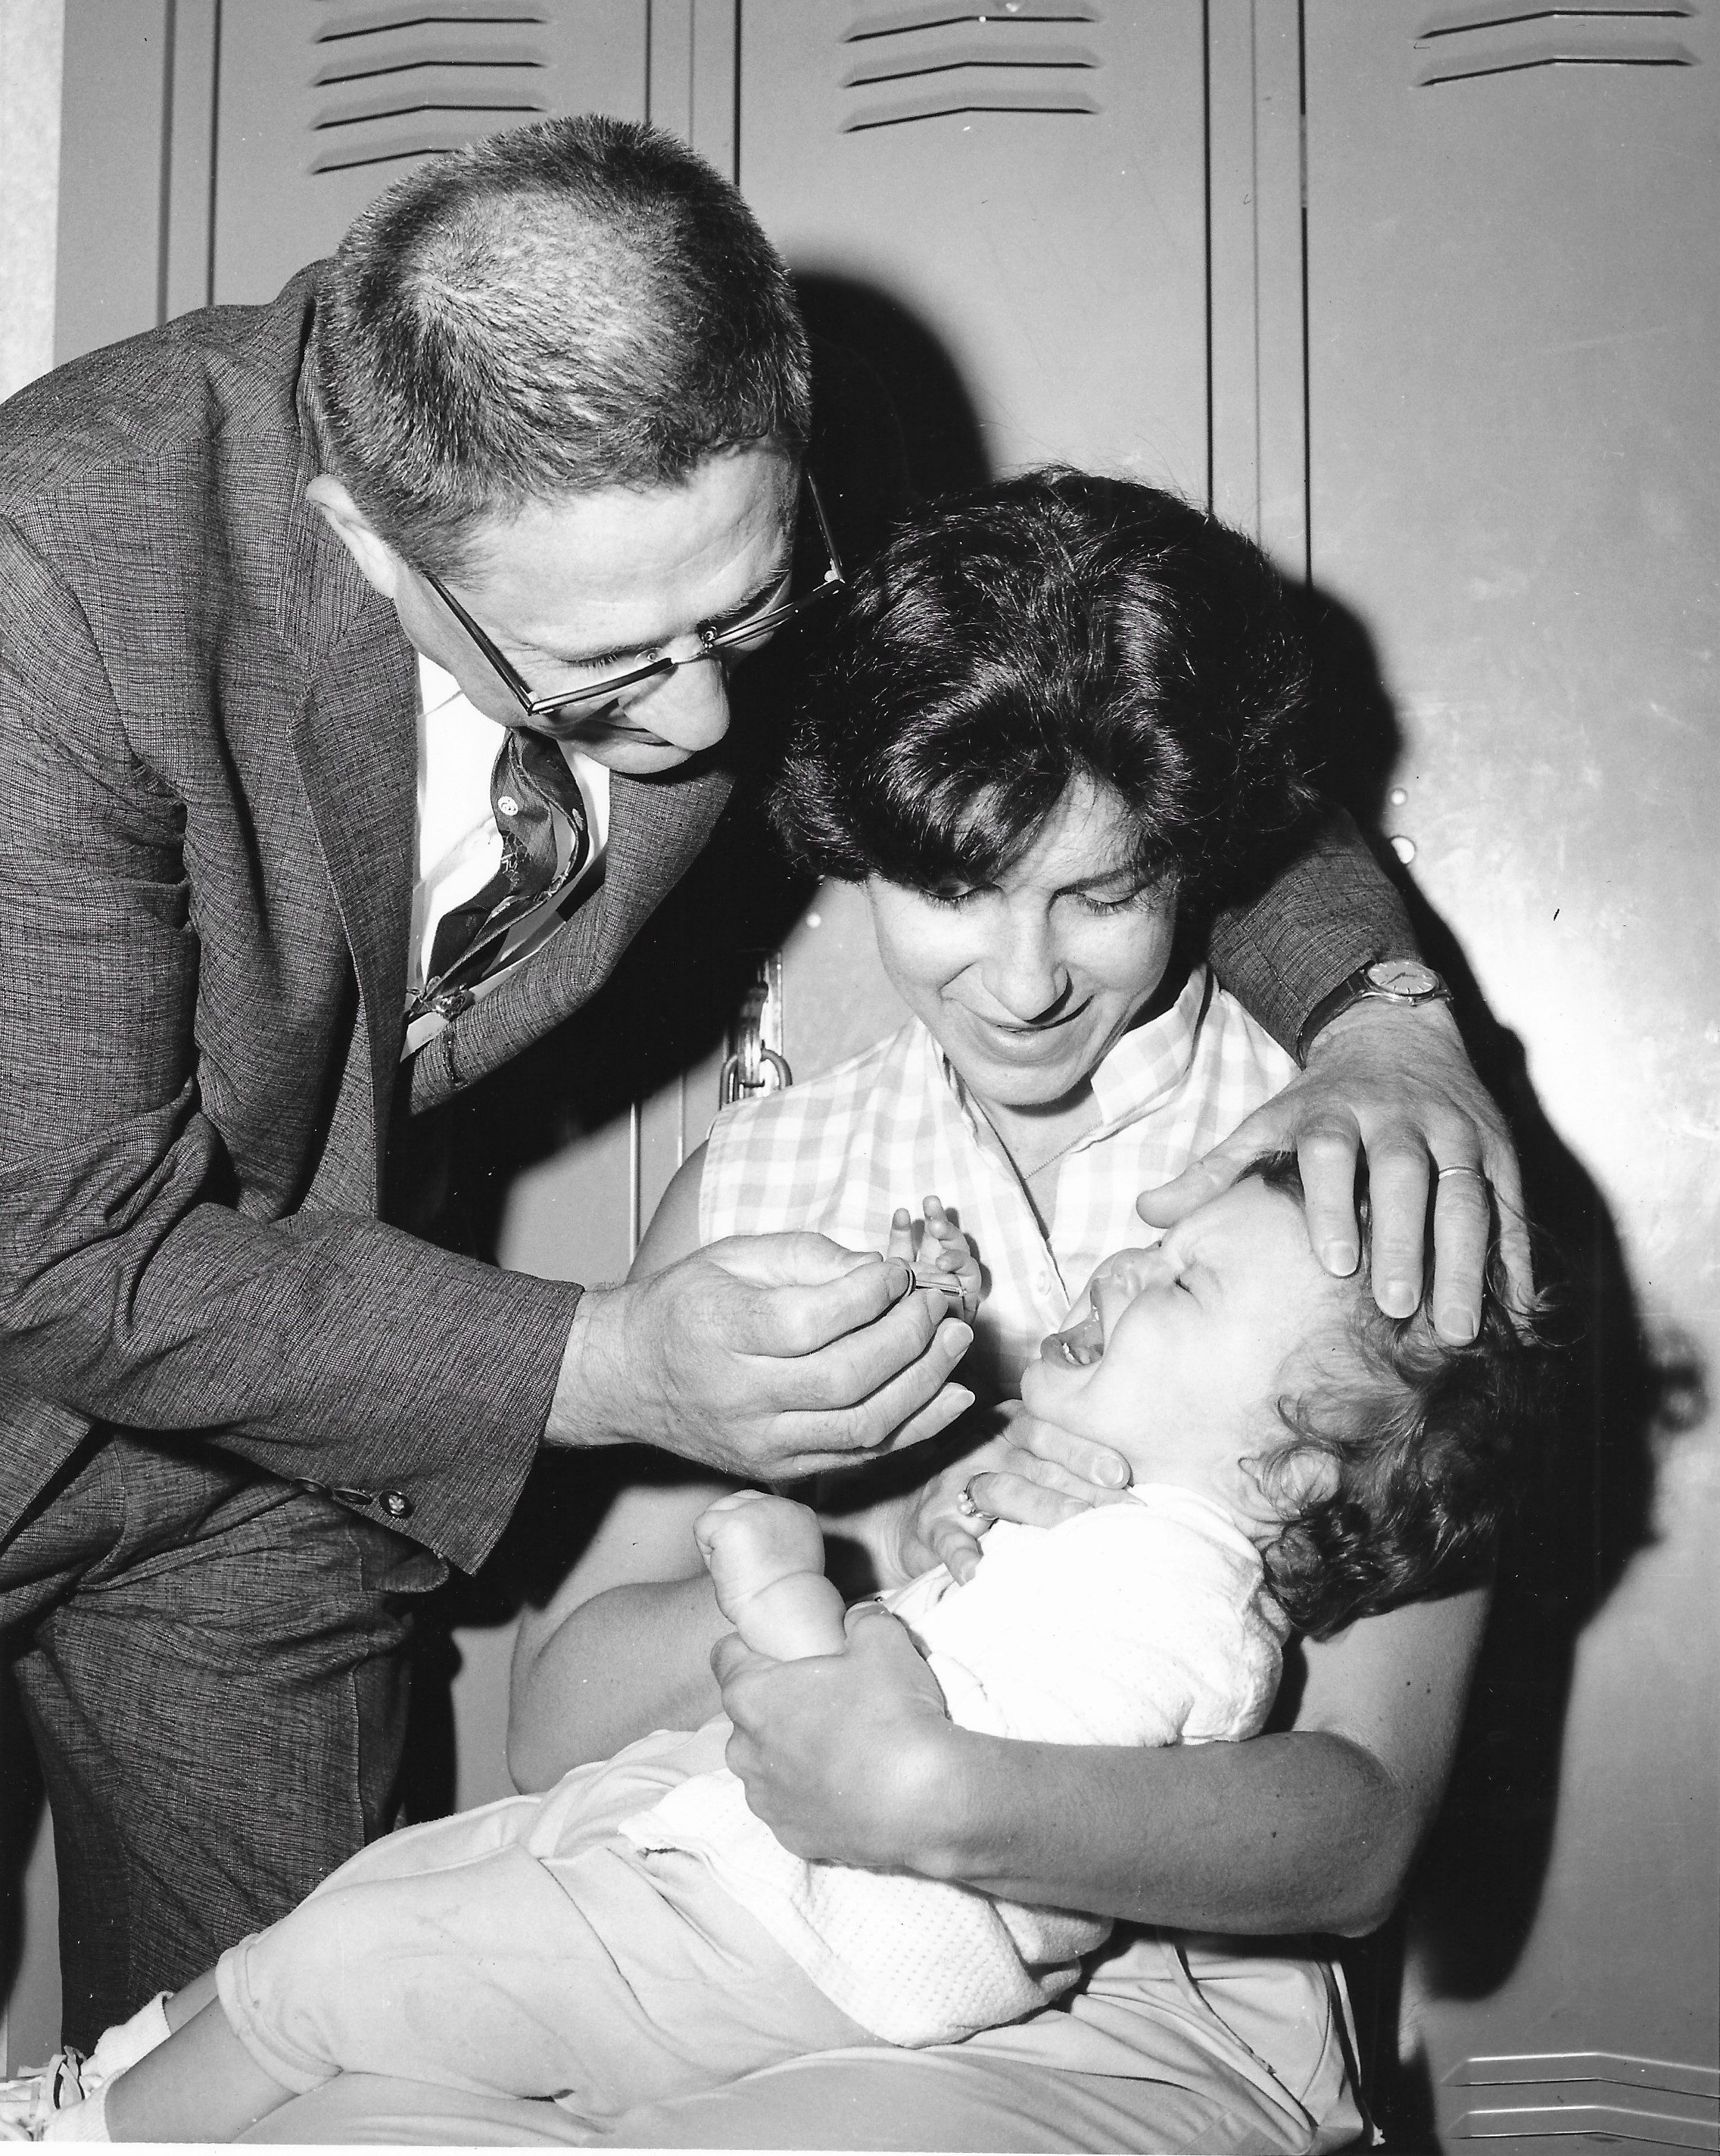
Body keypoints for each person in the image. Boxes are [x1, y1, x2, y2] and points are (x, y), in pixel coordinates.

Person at [0, 117, 1516, 2045]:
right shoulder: (53, 575)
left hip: (280, 1432)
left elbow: (1137, 733)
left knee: (279, 2056)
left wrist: (1380, 1012)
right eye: (605, 672)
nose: (712, 724)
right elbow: (55, 1242)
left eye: (745, 613)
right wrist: (616, 1359)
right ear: (369, 541)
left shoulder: (727, 473)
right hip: (52, 1296)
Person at [0, 1158, 1543, 2145]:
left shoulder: (1194, 1554)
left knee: (343, 1972)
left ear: (1285, 1470)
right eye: (958, 889)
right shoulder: (1110, 1504)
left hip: (829, 1944)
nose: (1119, 1268)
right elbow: (567, 1720)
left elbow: (909, 1779)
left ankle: (91, 2121)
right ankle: (113, 2090)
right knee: (360, 1964)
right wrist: (942, 1525)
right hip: (715, 1870)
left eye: (1181, 1281)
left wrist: (797, 1585)